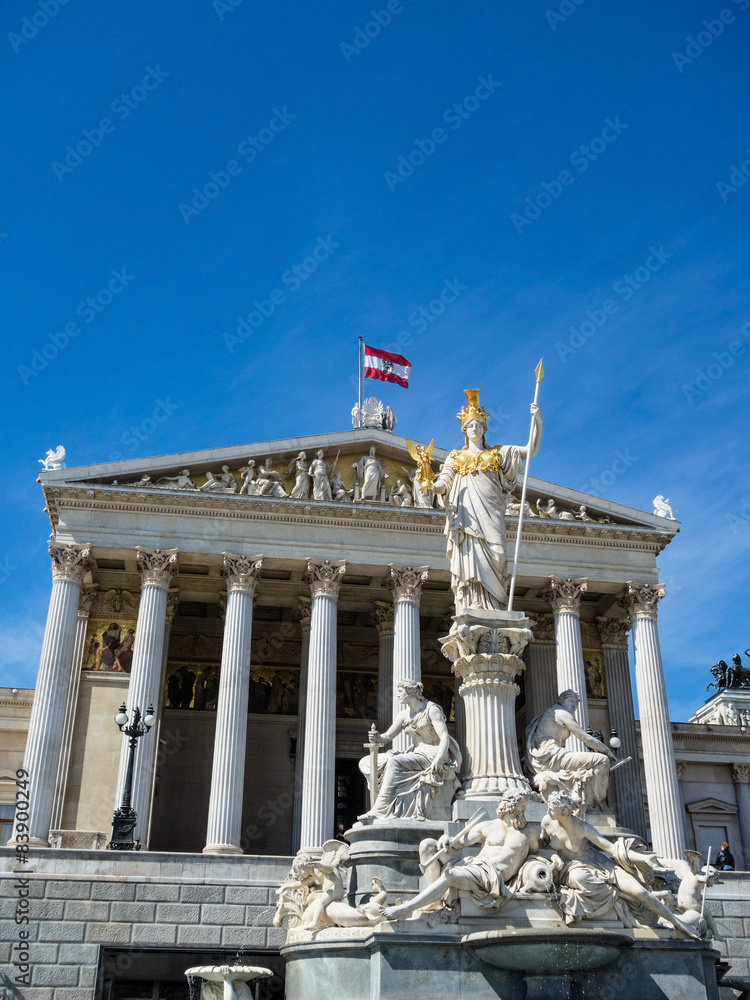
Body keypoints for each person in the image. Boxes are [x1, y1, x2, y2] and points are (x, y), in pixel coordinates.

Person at [423, 390, 542, 613]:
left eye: (478, 425)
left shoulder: (497, 454)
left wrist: (538, 421)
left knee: (497, 555)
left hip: (491, 514)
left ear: (484, 429)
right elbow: (443, 484)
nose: (475, 428)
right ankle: (474, 602)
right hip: (467, 517)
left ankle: (496, 605)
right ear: (465, 431)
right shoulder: (455, 457)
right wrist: (430, 485)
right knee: (471, 558)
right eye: (471, 426)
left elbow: (530, 450)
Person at [541, 790, 700, 938]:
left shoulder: (582, 827)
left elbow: (611, 848)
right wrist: (553, 856)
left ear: (563, 812)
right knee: (579, 877)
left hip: (600, 864)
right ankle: (620, 895)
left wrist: (643, 858)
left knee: (641, 893)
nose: (548, 811)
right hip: (572, 867)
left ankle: (677, 923)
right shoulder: (547, 822)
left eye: (551, 809)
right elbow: (542, 845)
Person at [384, 789, 538, 920]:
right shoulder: (488, 825)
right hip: (474, 865)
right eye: (515, 805)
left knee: (451, 875)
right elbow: (459, 843)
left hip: (490, 875)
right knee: (428, 845)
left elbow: (535, 854)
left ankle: (407, 908)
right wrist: (446, 839)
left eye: (521, 806)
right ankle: (435, 901)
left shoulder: (529, 832)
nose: (518, 810)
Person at [357, 679, 461, 822]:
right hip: (416, 754)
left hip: (432, 755)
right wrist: (377, 737)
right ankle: (391, 804)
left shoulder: (431, 710)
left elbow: (444, 736)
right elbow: (387, 737)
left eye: (400, 692)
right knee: (366, 762)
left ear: (410, 692)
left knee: (395, 762)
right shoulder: (403, 715)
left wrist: (439, 758)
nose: (397, 695)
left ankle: (379, 810)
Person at [526, 689, 615, 813]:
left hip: (547, 756)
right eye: (570, 701)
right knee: (602, 760)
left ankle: (586, 800)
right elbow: (585, 737)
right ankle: (592, 804)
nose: (574, 705)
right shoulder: (561, 712)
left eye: (576, 703)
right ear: (562, 701)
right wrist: (607, 751)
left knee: (586, 768)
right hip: (551, 756)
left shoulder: (550, 712)